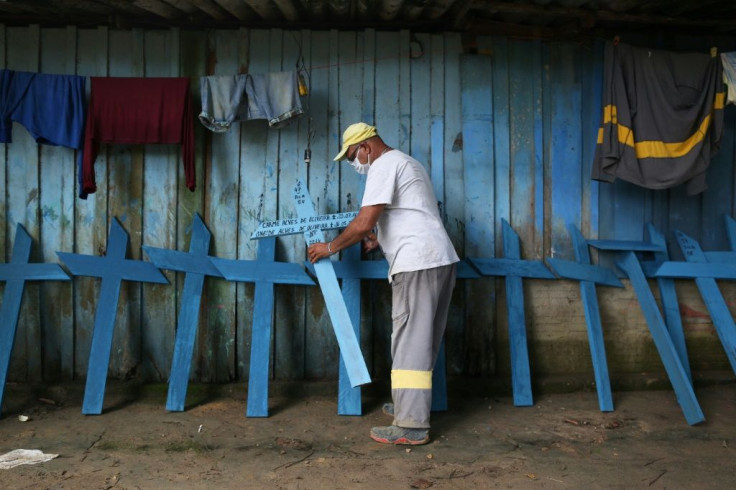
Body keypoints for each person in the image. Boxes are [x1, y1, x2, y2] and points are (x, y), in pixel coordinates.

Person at [307, 122, 459, 445]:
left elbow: (363, 223)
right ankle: (409, 404)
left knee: (409, 341)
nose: (355, 164)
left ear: (366, 147)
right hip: (440, 259)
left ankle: (412, 425)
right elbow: (411, 213)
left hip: (416, 263)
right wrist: (382, 241)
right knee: (423, 341)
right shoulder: (408, 162)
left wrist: (329, 247)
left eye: (352, 156)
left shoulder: (383, 165)